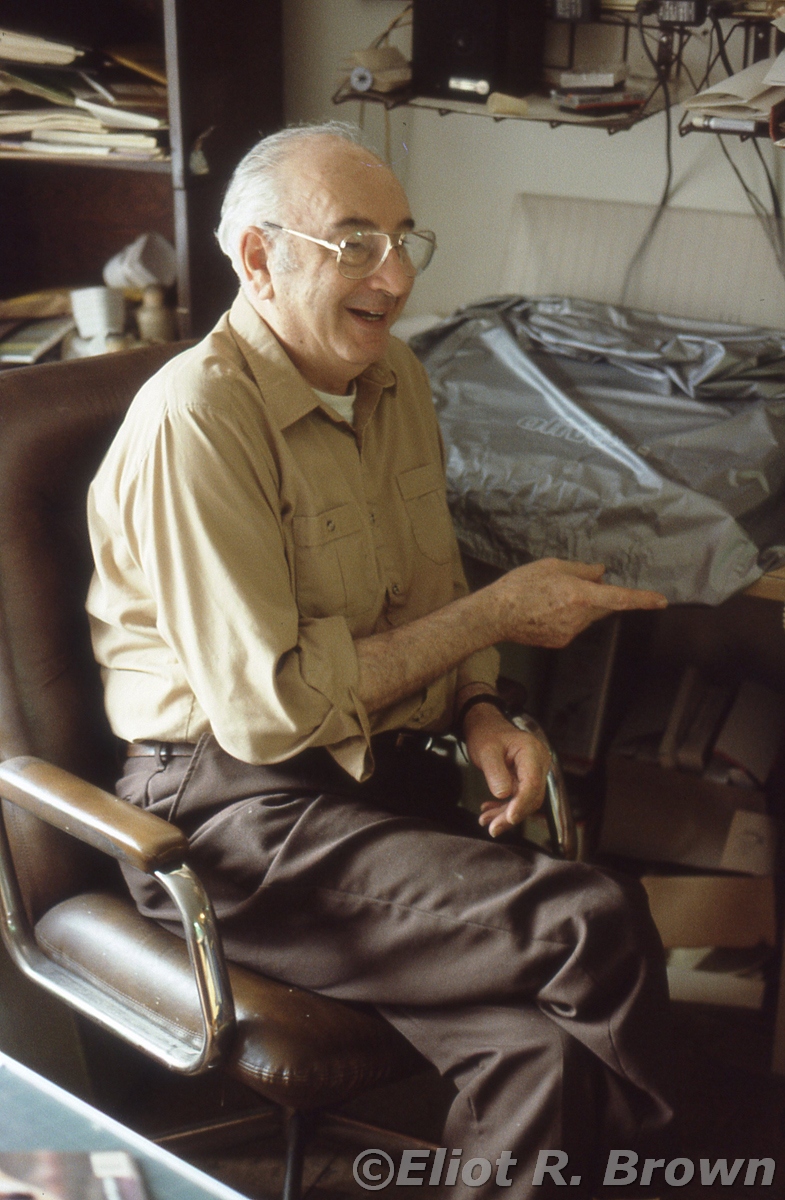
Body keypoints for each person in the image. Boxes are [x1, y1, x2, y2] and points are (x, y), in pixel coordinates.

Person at [86, 121, 676, 1198]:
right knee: (586, 916)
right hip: (229, 818)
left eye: (405, 239)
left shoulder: (391, 375)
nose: (395, 276)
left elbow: (427, 592)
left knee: (537, 1058)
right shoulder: (194, 420)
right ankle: (668, 1173)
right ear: (258, 259)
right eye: (353, 243)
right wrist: (499, 613)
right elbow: (269, 713)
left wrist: (486, 709)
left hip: (374, 788)